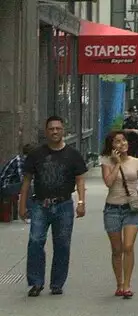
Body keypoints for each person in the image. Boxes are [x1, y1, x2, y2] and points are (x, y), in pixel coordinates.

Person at [18, 116, 87, 297]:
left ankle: (57, 283)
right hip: (40, 205)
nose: (55, 132)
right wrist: (22, 204)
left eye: (58, 128)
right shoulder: (36, 155)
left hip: (63, 205)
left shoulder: (73, 155)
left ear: (63, 130)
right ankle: (36, 282)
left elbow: (80, 179)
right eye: (51, 129)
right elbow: (26, 181)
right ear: (46, 131)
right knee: (35, 241)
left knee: (62, 244)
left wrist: (81, 202)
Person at [100, 129, 138, 297]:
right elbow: (109, 183)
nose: (122, 144)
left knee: (128, 246)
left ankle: (127, 284)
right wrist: (117, 163)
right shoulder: (106, 161)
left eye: (124, 141)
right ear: (111, 145)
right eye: (117, 141)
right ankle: (119, 283)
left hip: (131, 209)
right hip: (112, 209)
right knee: (117, 249)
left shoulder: (137, 162)